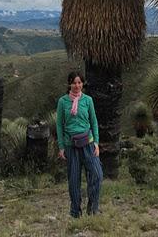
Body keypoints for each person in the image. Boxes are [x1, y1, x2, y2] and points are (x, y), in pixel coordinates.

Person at [56, 70, 103, 218]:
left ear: (82, 83)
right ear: (69, 84)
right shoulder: (62, 101)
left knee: (97, 174)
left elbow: (94, 122)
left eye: (79, 82)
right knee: (74, 181)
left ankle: (92, 208)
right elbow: (59, 125)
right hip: (71, 146)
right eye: (74, 82)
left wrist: (96, 142)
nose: (77, 85)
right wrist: (61, 146)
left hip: (88, 144)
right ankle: (75, 212)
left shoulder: (88, 100)